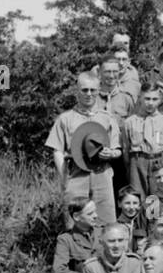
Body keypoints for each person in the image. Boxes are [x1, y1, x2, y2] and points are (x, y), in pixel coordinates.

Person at [47, 72, 121, 223]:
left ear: (98, 90)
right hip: (76, 175)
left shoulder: (107, 118)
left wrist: (111, 154)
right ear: (77, 91)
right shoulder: (65, 119)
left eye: (93, 90)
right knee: (75, 221)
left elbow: (117, 149)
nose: (89, 94)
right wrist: (64, 179)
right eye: (84, 90)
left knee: (106, 221)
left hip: (102, 174)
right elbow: (57, 150)